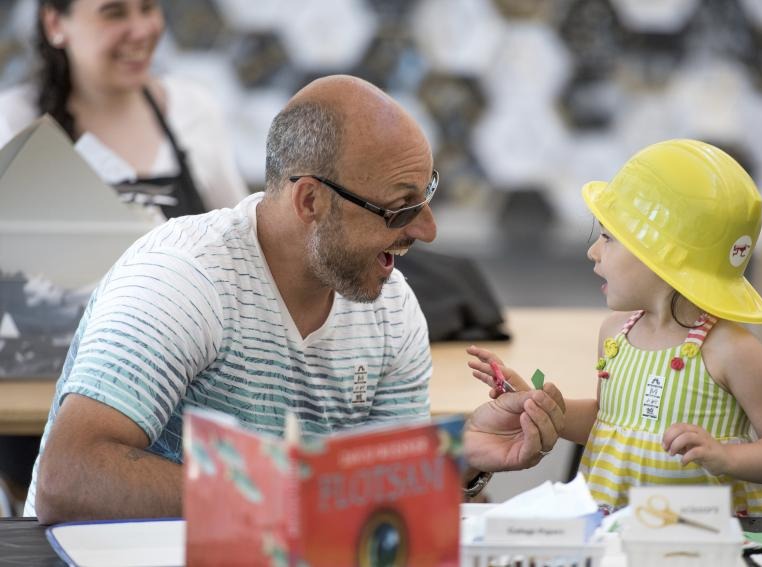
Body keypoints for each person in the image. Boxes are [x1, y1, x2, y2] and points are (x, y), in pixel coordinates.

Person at [26, 75, 563, 523]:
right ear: (311, 200)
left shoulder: (391, 307)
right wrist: (296, 495)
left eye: (426, 196)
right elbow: (68, 476)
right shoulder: (184, 279)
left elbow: (379, 503)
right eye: (399, 208)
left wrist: (458, 458)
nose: (427, 229)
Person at [468, 139, 762, 516]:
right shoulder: (615, 334)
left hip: (701, 541)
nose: (592, 251)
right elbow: (608, 420)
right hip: (614, 530)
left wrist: (727, 456)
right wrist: (541, 407)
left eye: (608, 238)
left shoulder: (730, 350)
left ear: (663, 255)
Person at [0, 0, 248, 217]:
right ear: (55, 24)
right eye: (114, 12)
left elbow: (241, 245)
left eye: (148, 7)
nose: (141, 31)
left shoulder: (193, 108)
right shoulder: (15, 120)